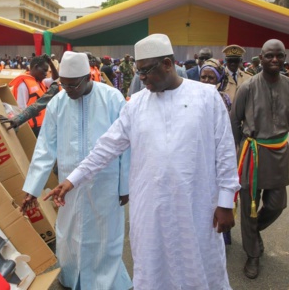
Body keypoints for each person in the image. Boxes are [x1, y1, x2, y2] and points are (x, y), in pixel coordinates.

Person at [45, 34, 240, 289]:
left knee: (197, 263)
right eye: (139, 71)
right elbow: (106, 147)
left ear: (168, 64)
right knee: (152, 264)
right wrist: (72, 180)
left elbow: (225, 152)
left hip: (195, 204)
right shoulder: (136, 104)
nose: (142, 78)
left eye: (147, 71)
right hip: (151, 207)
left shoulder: (206, 97)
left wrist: (226, 202)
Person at [21, 51, 132, 290]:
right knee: (70, 234)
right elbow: (45, 148)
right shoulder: (58, 103)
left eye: (72, 85)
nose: (67, 90)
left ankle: (106, 282)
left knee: (105, 236)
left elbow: (125, 146)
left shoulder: (112, 98)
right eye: (63, 84)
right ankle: (73, 278)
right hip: (68, 184)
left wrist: (125, 186)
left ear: (86, 78)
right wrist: (32, 188)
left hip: (106, 182)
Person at [230, 39, 289, 279]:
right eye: (270, 56)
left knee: (276, 204)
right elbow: (234, 122)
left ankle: (253, 231)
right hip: (253, 152)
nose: (275, 60)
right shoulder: (247, 87)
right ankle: (253, 255)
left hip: (279, 151)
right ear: (261, 57)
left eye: (279, 56)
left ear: (284, 57)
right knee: (250, 207)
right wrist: (236, 153)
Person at [7, 54, 58, 136]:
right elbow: (21, 108)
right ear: (36, 67)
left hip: (42, 125)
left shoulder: (41, 82)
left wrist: (50, 63)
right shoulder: (23, 85)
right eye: (44, 70)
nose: (46, 74)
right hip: (33, 129)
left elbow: (55, 78)